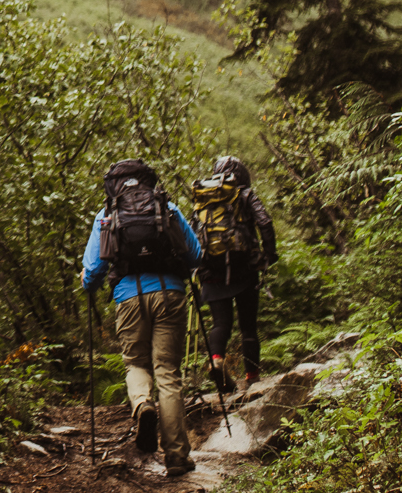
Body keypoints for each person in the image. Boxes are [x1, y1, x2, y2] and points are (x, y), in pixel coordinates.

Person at [82, 158, 202, 479]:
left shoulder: (107, 215)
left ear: (113, 185)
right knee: (168, 372)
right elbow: (195, 254)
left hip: (128, 297)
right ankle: (177, 457)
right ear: (149, 181)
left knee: (135, 363)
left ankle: (141, 403)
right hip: (171, 294)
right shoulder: (167, 207)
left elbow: (93, 270)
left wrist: (88, 284)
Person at [191, 154, 277, 395]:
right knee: (248, 326)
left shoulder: (204, 197)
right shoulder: (246, 195)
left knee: (221, 323)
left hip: (211, 272)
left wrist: (195, 267)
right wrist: (268, 255)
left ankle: (217, 360)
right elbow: (265, 223)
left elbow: (192, 232)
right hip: (244, 268)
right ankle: (252, 378)